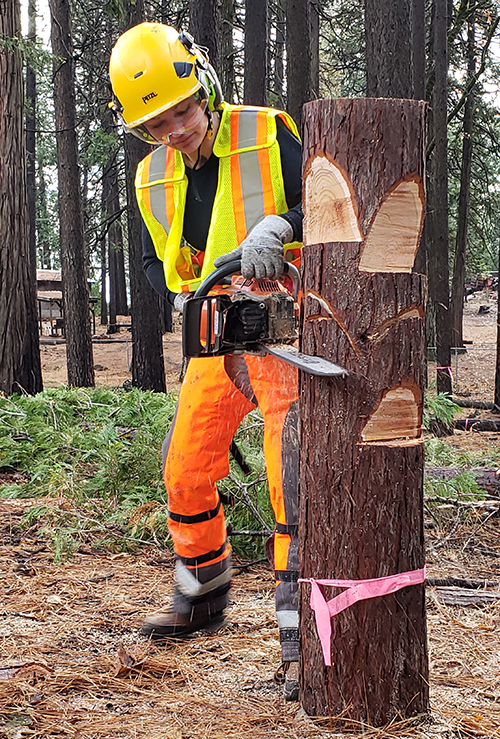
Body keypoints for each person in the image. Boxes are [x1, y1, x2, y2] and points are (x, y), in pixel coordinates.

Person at [109, 22, 303, 700]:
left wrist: (283, 227)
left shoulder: (267, 133)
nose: (175, 131)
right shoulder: (153, 176)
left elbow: (336, 199)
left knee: (293, 481)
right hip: (218, 334)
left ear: (205, 88)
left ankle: (302, 640)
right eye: (156, 125)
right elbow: (185, 265)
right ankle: (201, 591)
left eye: (182, 113)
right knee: (185, 466)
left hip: (286, 327)